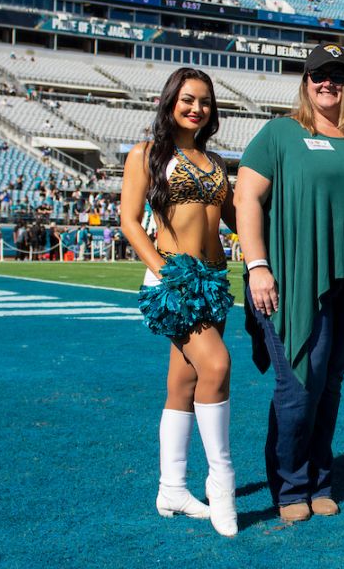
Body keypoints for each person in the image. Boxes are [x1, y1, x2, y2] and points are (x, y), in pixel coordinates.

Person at [235, 44, 344, 523]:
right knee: (299, 385)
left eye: (338, 76)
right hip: (294, 280)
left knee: (327, 388)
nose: (329, 83)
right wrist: (257, 265)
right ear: (305, 82)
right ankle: (289, 486)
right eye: (318, 75)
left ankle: (321, 480)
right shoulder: (279, 134)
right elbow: (246, 199)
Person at [120, 67, 239, 537]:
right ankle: (222, 484)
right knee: (217, 367)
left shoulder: (216, 162)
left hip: (212, 281)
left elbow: (236, 216)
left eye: (206, 101)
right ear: (170, 101)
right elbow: (130, 220)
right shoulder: (146, 154)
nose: (197, 108)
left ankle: (171, 488)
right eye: (189, 99)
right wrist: (166, 270)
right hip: (174, 280)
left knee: (183, 384)